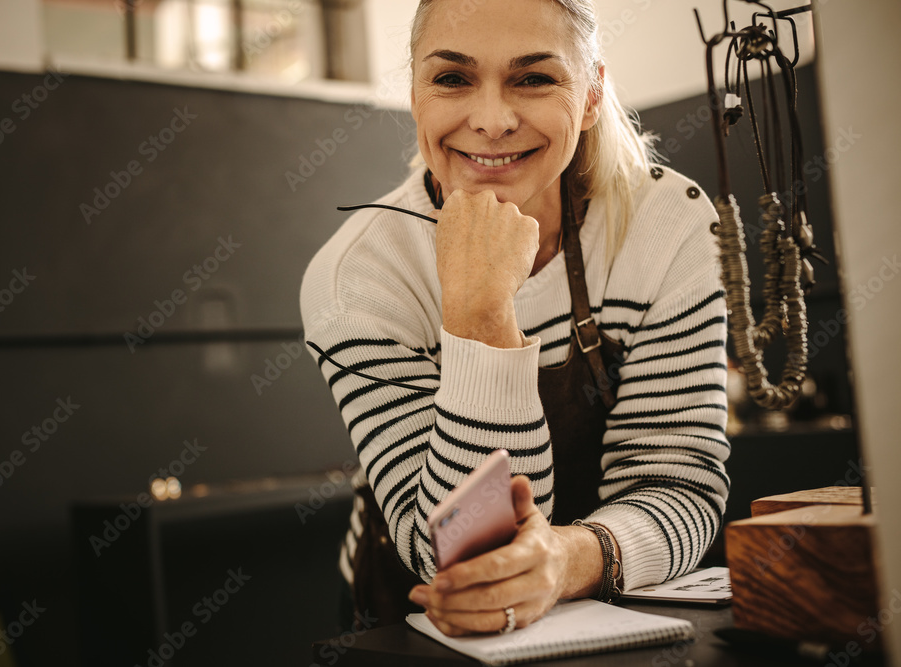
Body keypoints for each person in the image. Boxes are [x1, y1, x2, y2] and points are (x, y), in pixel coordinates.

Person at [300, 0, 730, 637]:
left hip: (619, 611)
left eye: (533, 78)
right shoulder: (358, 276)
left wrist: (563, 559)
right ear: (416, 97)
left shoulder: (667, 224)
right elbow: (464, 551)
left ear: (589, 97)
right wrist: (481, 315)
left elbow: (679, 488)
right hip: (416, 626)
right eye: (452, 78)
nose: (493, 121)